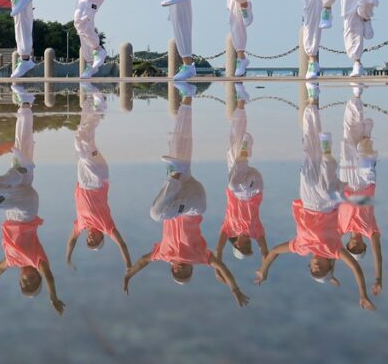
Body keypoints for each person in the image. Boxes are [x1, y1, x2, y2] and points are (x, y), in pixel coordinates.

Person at [254, 85, 376, 311]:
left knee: (309, 151)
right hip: (328, 203)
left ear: (309, 264)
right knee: (330, 167)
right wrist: (363, 293)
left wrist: (264, 269)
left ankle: (312, 100)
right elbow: (355, 269)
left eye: (313, 270)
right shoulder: (335, 251)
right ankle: (331, 148)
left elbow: (273, 252)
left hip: (308, 199)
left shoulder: (300, 247)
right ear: (330, 265)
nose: (316, 268)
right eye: (321, 270)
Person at [123, 89, 249, 306]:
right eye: (185, 272)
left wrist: (129, 275)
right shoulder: (199, 258)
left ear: (172, 269)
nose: (181, 269)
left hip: (182, 193)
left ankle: (187, 99)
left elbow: (143, 261)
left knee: (179, 147)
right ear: (191, 268)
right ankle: (176, 174)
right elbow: (221, 267)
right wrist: (235, 289)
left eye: (177, 273)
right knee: (156, 214)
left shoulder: (162, 254)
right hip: (194, 205)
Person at [0, 97, 65, 314]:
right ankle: (18, 171)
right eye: (32, 283)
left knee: (21, 152)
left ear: (19, 280)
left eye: (24, 284)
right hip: (25, 209)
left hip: (15, 204)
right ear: (36, 277)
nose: (27, 281)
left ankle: (25, 108)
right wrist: (53, 297)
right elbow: (51, 277)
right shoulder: (38, 261)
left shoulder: (11, 261)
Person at [65, 92, 132, 269]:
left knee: (85, 140)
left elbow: (72, 239)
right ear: (102, 236)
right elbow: (122, 244)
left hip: (83, 180)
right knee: (80, 141)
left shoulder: (80, 226)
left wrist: (69, 257)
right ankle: (100, 107)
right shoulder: (106, 226)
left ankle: (88, 99)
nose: (91, 239)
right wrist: (128, 267)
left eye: (88, 241)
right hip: (97, 179)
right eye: (95, 241)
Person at [337, 88, 383, 297]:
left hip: (347, 182)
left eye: (351, 249)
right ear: (363, 245)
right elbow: (378, 255)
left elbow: (329, 248)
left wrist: (332, 271)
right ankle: (366, 137)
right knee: (364, 155)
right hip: (365, 183)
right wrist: (378, 279)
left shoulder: (340, 227)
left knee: (348, 139)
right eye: (359, 249)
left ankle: (355, 97)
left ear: (348, 244)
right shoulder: (370, 231)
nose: (355, 247)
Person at [215, 93, 268, 263]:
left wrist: (218, 263)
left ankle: (241, 101)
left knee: (233, 145)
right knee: (233, 185)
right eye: (249, 247)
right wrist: (264, 268)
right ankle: (245, 149)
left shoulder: (228, 228)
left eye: (243, 247)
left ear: (236, 244)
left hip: (239, 176)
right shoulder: (255, 231)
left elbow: (218, 248)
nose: (247, 245)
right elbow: (265, 251)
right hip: (254, 186)